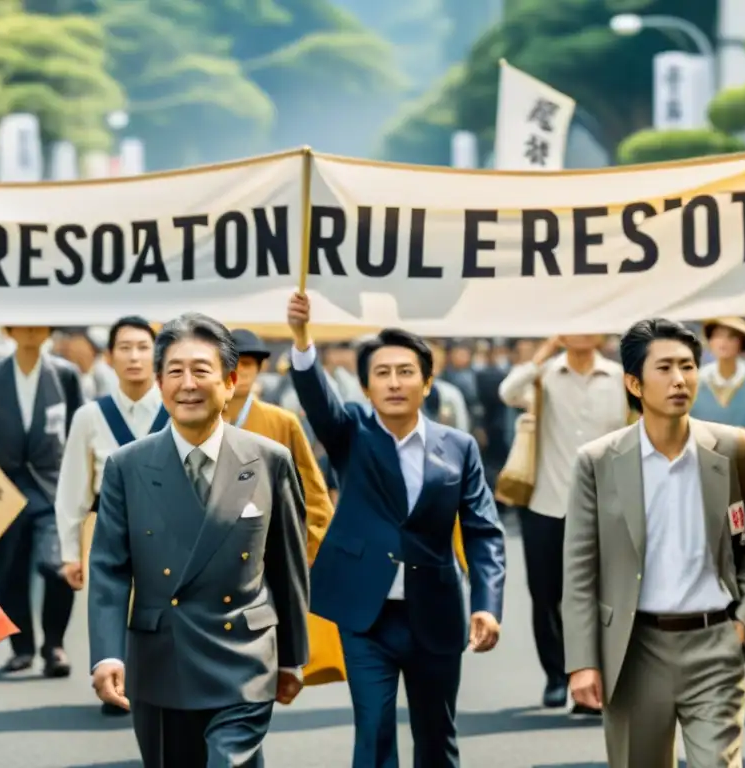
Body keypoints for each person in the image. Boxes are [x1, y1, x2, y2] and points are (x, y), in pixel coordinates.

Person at [286, 291, 506, 768]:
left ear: (427, 383)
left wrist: (488, 606)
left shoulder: (459, 447)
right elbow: (317, 400)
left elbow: (484, 531)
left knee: (436, 737)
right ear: (366, 387)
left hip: (437, 611)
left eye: (406, 372)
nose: (394, 383)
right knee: (374, 730)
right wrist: (303, 338)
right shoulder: (352, 433)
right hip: (367, 616)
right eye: (381, 374)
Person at [88, 313, 309, 768]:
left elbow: (288, 566)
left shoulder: (269, 460)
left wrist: (293, 657)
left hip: (244, 657)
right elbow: (109, 570)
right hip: (161, 658)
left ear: (230, 382)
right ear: (159, 384)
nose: (187, 383)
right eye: (174, 371)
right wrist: (107, 654)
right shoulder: (126, 466)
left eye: (201, 370)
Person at [562, 318, 745, 768]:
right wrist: (582, 661)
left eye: (688, 366)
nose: (680, 379)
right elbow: (581, 570)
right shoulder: (598, 462)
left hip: (715, 644)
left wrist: (742, 623)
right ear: (634, 383)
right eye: (665, 368)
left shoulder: (736, 449)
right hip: (631, 650)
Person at [497, 334, 627, 711]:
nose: (582, 331)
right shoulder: (543, 375)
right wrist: (542, 353)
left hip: (605, 506)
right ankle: (557, 676)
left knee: (601, 598)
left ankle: (593, 681)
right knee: (545, 594)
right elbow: (508, 392)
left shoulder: (620, 377)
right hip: (545, 502)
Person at [54, 316, 167, 715]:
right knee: (112, 607)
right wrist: (70, 552)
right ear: (109, 357)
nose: (134, 357)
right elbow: (72, 489)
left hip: (170, 530)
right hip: (110, 527)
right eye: (125, 348)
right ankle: (116, 683)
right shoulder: (90, 416)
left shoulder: (176, 409)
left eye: (143, 347)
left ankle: (158, 683)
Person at [226, 328, 344, 686]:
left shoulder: (282, 422)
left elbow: (313, 491)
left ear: (260, 368)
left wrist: (309, 548)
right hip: (212, 557)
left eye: (248, 364)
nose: (241, 371)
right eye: (233, 363)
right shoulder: (196, 419)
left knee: (262, 661)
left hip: (269, 554)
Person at [0, 326, 84, 676]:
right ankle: (21, 648)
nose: (31, 331)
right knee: (10, 569)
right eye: (23, 324)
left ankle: (55, 645)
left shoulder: (65, 374)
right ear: (10, 330)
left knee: (59, 567)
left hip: (53, 485)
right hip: (6, 485)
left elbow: (80, 428)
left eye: (39, 324)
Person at [692, 317, 745, 463]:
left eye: (731, 337)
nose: (723, 342)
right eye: (718, 335)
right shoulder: (693, 381)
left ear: (741, 344)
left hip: (743, 472)